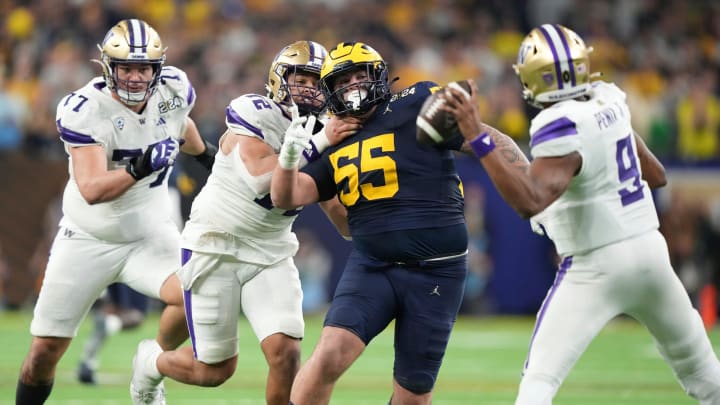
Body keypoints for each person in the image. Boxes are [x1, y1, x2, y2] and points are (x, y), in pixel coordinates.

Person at [441, 24, 720, 404]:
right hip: (652, 254)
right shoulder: (609, 100)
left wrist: (477, 136)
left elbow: (530, 201)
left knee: (538, 383)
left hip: (596, 265)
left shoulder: (558, 124)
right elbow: (656, 175)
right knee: (706, 378)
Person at [129, 40, 354, 405]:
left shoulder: (328, 130)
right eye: (301, 78)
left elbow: (338, 215)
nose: (309, 89)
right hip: (216, 242)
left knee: (286, 354)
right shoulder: (256, 110)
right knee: (214, 371)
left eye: (317, 81)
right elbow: (259, 177)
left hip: (271, 250)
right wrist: (314, 144)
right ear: (280, 78)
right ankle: (151, 362)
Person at [15, 19, 216, 405]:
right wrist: (139, 166)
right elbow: (92, 189)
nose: (136, 77)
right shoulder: (86, 109)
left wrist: (209, 157)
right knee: (43, 354)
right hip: (89, 238)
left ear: (157, 69)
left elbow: (180, 124)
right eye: (127, 67)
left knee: (199, 292)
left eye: (144, 68)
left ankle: (150, 367)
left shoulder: (174, 88)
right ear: (108, 66)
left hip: (150, 234)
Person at [271, 41, 469, 405]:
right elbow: (286, 196)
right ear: (330, 91)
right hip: (373, 266)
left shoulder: (416, 99)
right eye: (341, 79)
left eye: (359, 74)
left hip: (436, 272)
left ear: (378, 74)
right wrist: (290, 155)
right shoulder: (334, 134)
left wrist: (524, 175)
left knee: (412, 397)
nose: (352, 84)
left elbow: (477, 137)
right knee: (329, 354)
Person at [76, 283, 149, 385]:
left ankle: (88, 362)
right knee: (136, 317)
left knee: (113, 309)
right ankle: (108, 324)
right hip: (134, 270)